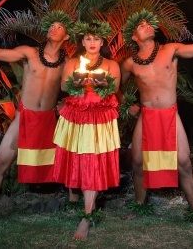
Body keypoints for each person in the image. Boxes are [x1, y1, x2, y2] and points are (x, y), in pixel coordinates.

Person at [119, 9, 193, 228]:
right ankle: (139, 206)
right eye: (141, 25)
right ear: (134, 37)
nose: (147, 26)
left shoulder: (170, 49)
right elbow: (115, 85)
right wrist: (127, 105)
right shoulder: (130, 63)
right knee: (137, 162)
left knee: (184, 163)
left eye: (149, 23)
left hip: (169, 115)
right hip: (146, 116)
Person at [0, 10, 75, 225]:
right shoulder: (30, 52)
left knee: (66, 160)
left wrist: (66, 102)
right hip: (25, 117)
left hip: (49, 120)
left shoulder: (68, 62)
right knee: (0, 163)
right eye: (51, 26)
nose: (53, 29)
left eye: (59, 27)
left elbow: (71, 87)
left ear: (67, 36)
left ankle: (74, 204)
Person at [52, 20, 121, 240]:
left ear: (102, 41)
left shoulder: (111, 64)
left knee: (92, 160)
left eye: (97, 38)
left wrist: (95, 80)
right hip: (76, 116)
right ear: (82, 41)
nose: (92, 42)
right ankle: (80, 201)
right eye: (88, 38)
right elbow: (64, 86)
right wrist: (81, 79)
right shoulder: (73, 61)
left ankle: (87, 216)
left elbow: (114, 87)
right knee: (78, 160)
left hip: (99, 118)